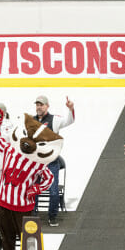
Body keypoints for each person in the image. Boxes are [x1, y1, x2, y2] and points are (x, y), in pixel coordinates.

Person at [0, 106, 55, 250]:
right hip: (4, 202)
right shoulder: (10, 149)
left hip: (23, 206)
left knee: (26, 237)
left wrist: (34, 190)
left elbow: (49, 178)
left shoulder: (37, 161)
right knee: (6, 236)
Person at [32, 94, 75, 227]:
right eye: (37, 105)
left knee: (54, 191)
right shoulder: (31, 121)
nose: (39, 107)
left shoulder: (54, 119)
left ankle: (52, 216)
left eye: (41, 105)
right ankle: (33, 217)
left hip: (51, 162)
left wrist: (71, 109)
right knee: (33, 191)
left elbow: (69, 121)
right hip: (36, 163)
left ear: (47, 106)